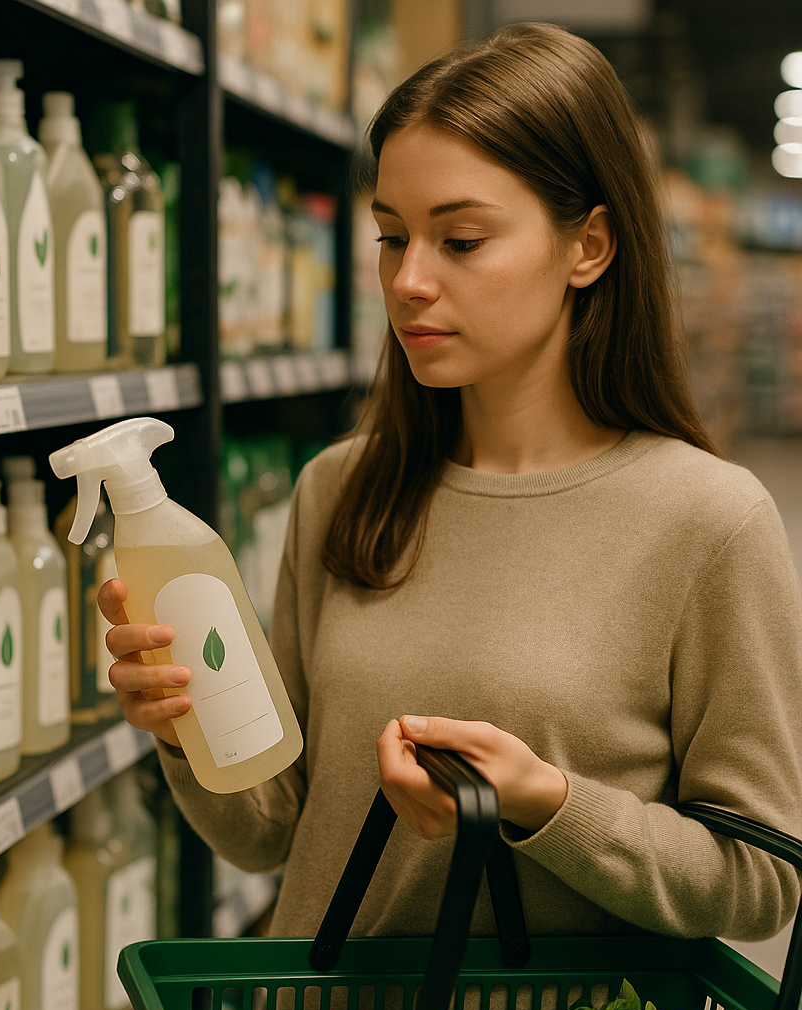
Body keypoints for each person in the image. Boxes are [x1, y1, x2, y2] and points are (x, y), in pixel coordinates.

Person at [98, 21, 802, 943]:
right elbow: (271, 832)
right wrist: (183, 724)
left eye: (461, 240)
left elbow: (758, 882)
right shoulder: (340, 489)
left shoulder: (709, 522)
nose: (408, 282)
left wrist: (546, 803)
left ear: (589, 246)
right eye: (391, 237)